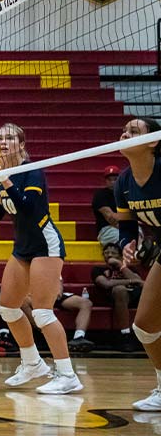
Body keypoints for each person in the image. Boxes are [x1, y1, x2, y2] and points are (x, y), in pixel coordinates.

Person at [0, 123, 81, 394]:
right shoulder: (1, 174)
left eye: (9, 138)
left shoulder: (32, 171)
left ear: (22, 143)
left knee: (41, 312)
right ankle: (32, 364)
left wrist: (6, 179)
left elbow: (28, 209)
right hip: (23, 247)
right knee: (7, 308)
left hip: (45, 245)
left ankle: (67, 375)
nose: (3, 142)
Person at [113, 117, 161, 410]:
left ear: (153, 142)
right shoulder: (123, 181)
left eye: (134, 131)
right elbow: (127, 228)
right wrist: (127, 246)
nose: (124, 134)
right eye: (125, 130)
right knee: (144, 326)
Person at [93, 242, 144, 352]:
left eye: (113, 253)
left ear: (120, 256)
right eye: (106, 253)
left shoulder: (130, 269)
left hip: (134, 297)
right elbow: (106, 284)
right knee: (119, 289)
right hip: (112, 298)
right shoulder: (98, 269)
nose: (109, 255)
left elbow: (140, 282)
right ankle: (125, 335)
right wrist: (130, 281)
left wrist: (121, 266)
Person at [21, 279, 95, 353]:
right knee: (23, 301)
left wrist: (57, 292)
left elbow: (58, 282)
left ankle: (78, 337)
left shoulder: (50, 267)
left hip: (52, 296)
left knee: (86, 303)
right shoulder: (24, 268)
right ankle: (46, 333)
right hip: (34, 296)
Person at [93, 165, 122, 248]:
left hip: (127, 226)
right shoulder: (100, 195)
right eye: (109, 180)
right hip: (107, 229)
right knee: (121, 238)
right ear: (105, 181)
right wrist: (130, 217)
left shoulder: (126, 194)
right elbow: (111, 217)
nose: (112, 182)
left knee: (137, 235)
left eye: (115, 179)